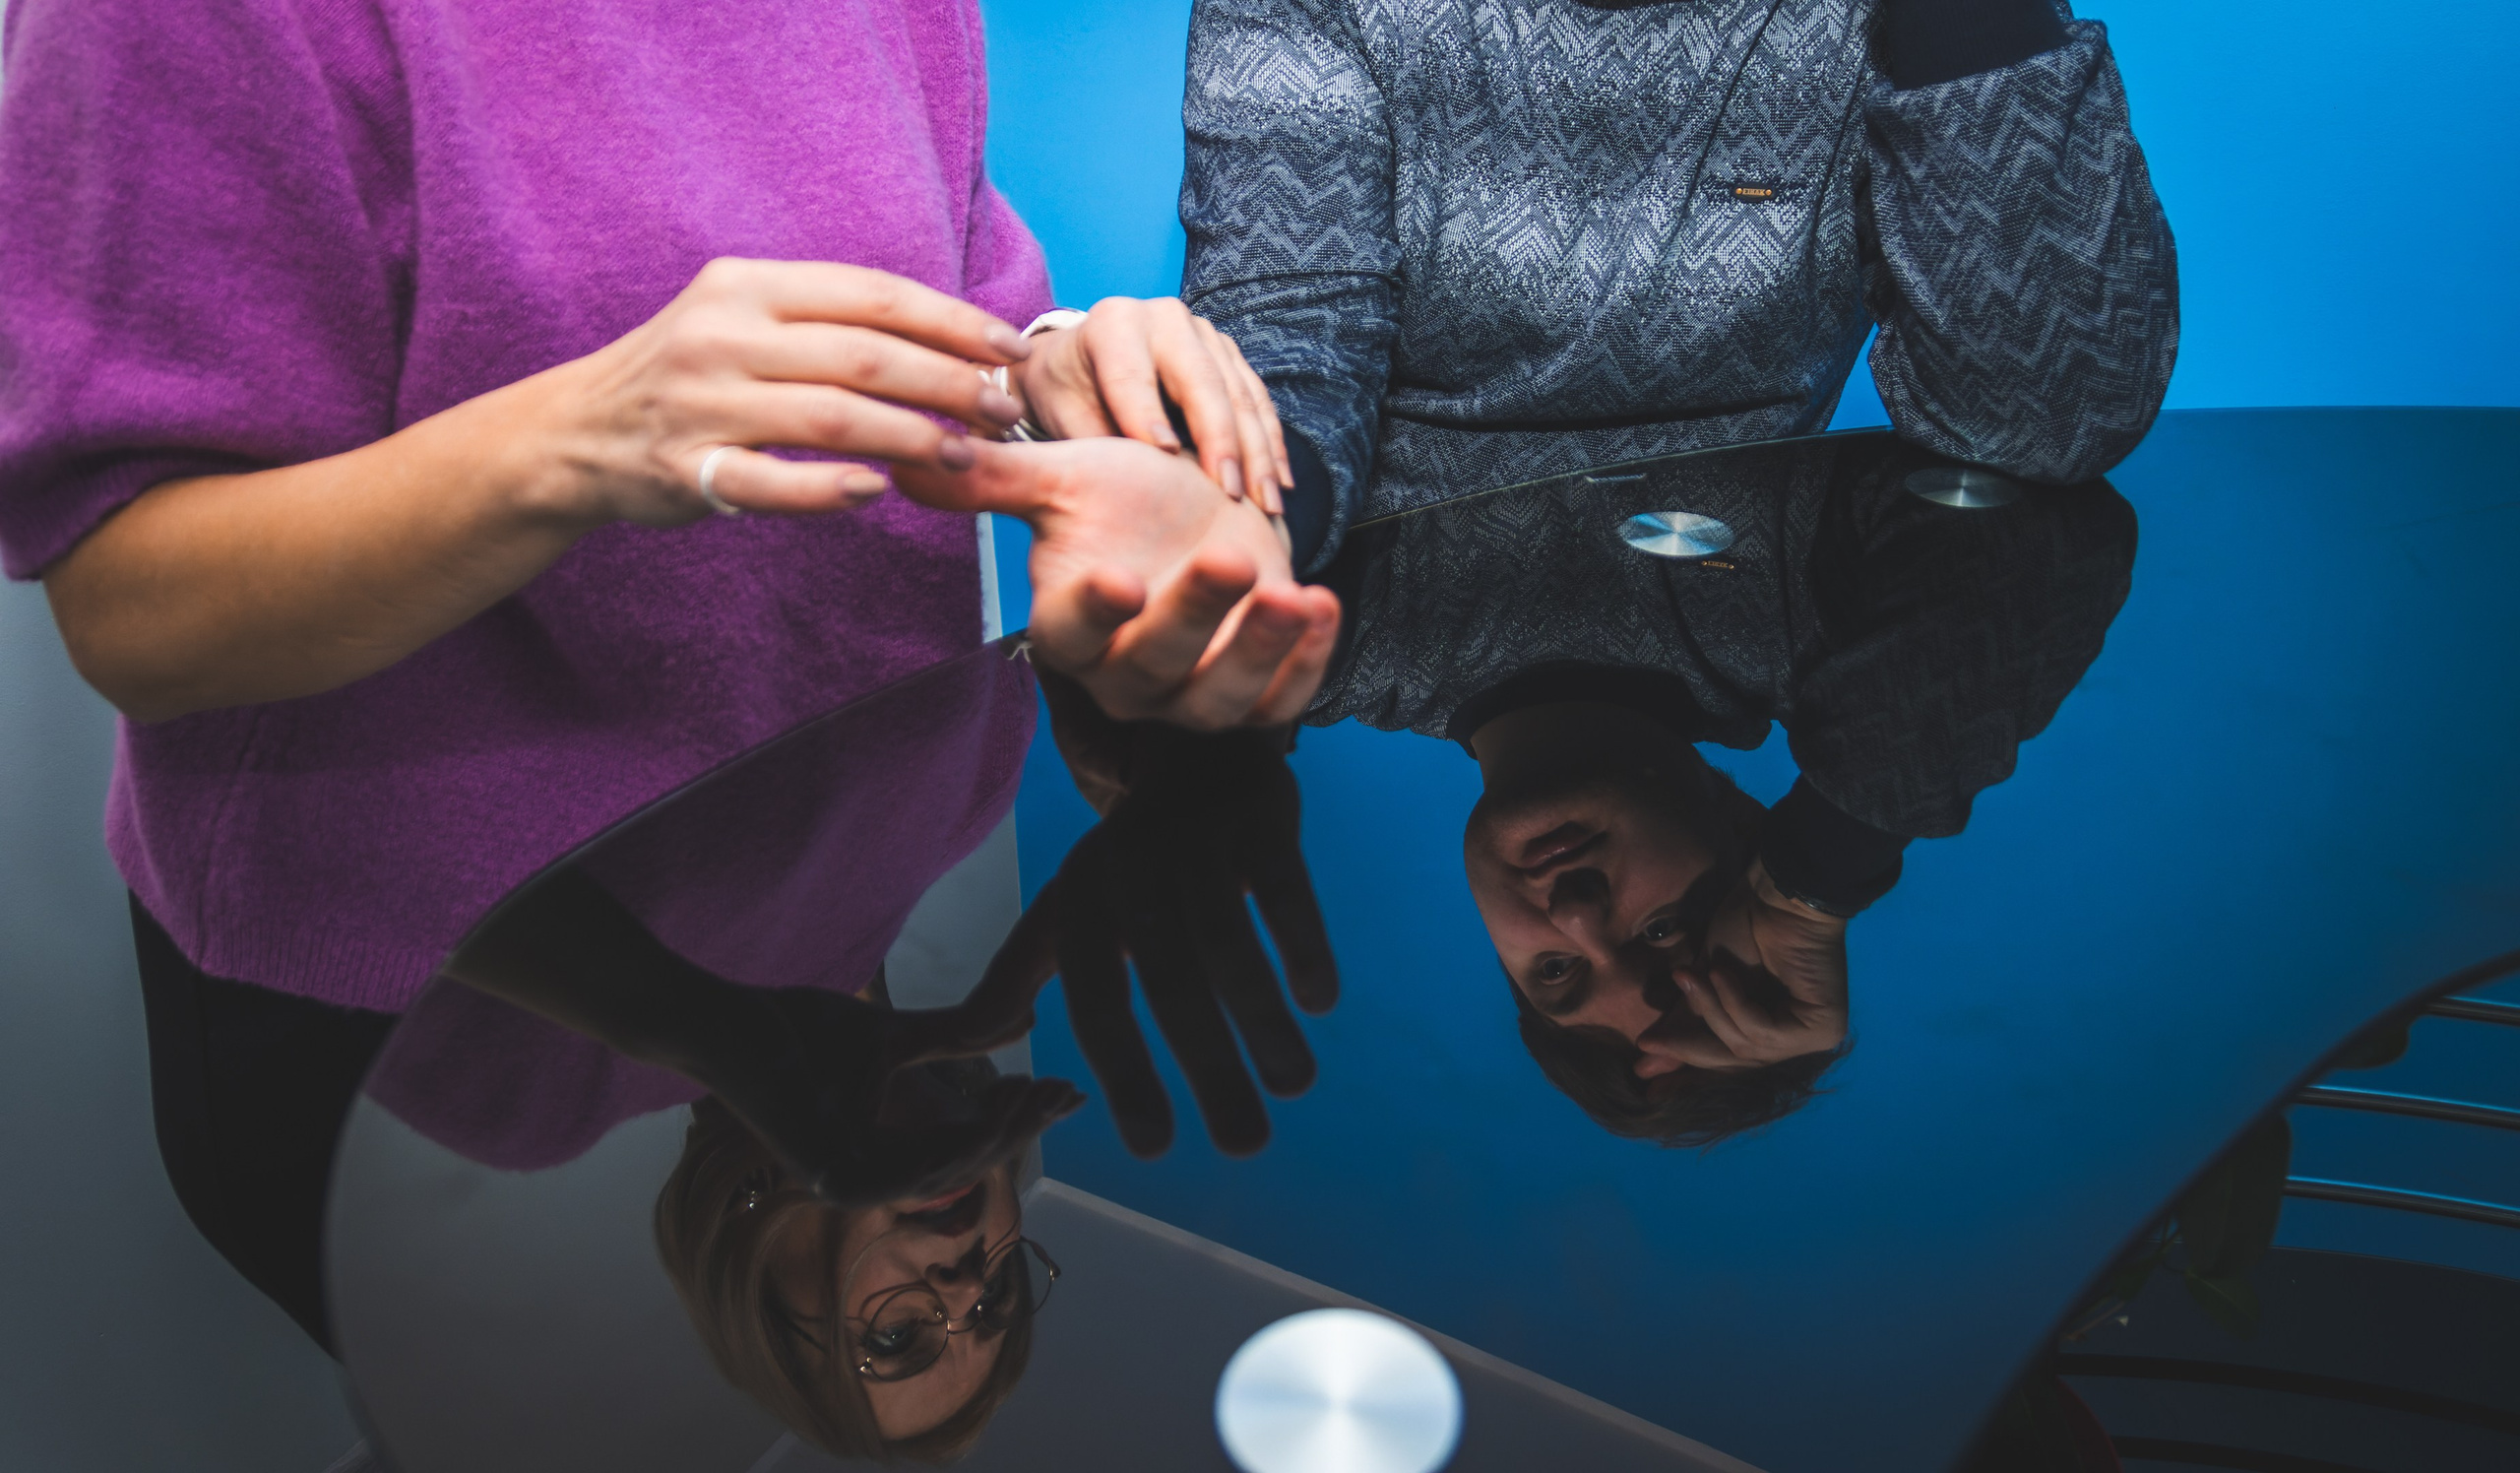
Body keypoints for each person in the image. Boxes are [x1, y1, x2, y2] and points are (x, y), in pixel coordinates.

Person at [0, 0, 1334, 1354]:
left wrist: (1056, 371)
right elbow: (132, 610)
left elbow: (949, 319)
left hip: (798, 918)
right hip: (420, 1011)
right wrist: (572, 440)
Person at [1303, 432, 2138, 1143]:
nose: (1577, 915)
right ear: (1745, 822)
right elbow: (2040, 533)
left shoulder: (1312, 651)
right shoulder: (1802, 609)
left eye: (1554, 970)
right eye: (1662, 929)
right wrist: (1813, 886)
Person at [1179, 0, 2179, 573]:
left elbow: (2053, 418)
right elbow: (1291, 336)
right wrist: (1234, 532)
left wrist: (1826, 851)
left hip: (1748, 593)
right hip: (1373, 605)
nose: (1579, 906)